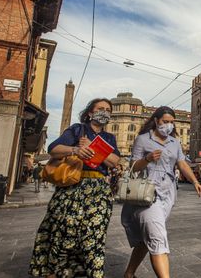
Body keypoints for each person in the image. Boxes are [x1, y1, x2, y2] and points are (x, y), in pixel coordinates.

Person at [29, 98, 120, 278]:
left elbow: (114, 161)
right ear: (90, 113)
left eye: (108, 110)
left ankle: (91, 271)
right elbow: (54, 148)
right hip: (72, 185)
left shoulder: (109, 137)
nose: (105, 112)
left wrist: (92, 148)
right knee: (65, 231)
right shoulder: (77, 129)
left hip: (98, 190)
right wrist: (76, 150)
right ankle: (57, 271)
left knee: (95, 233)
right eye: (100, 108)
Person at [121, 106, 201, 278]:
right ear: (156, 121)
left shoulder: (175, 142)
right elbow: (133, 167)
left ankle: (129, 273)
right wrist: (147, 159)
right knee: (158, 237)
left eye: (172, 122)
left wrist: (195, 181)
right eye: (166, 122)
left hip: (168, 193)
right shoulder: (143, 140)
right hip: (147, 192)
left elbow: (181, 163)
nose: (169, 126)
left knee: (146, 239)